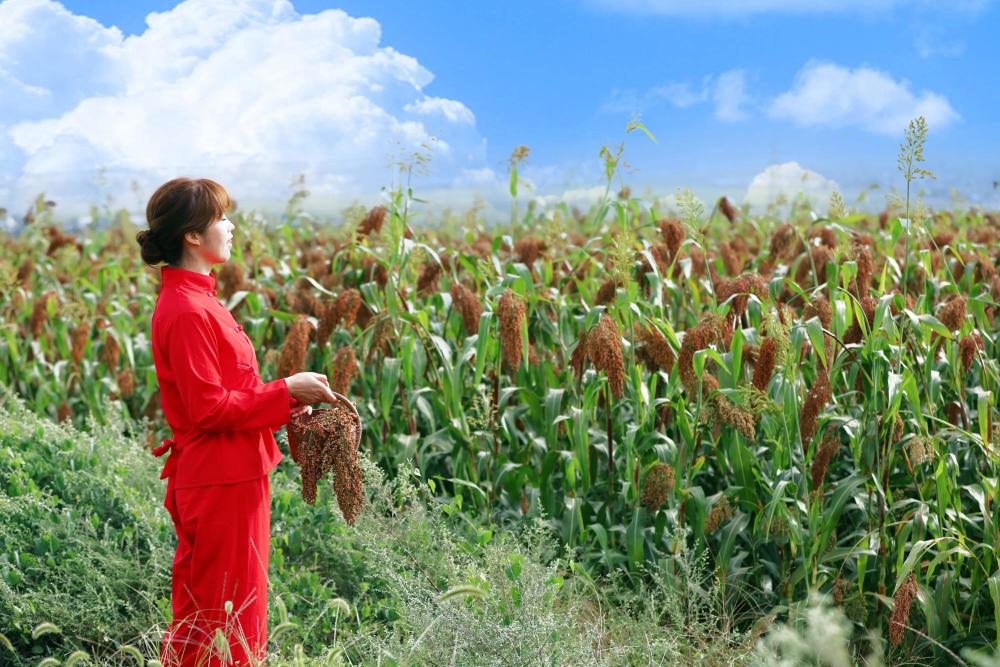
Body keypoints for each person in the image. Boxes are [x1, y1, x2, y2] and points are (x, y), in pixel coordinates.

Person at [136, 177, 338, 665]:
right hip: (219, 481)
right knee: (218, 622)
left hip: (233, 475)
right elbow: (208, 407)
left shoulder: (200, 299)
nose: (231, 227)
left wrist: (287, 403)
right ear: (192, 235)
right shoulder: (187, 309)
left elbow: (232, 390)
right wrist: (286, 389)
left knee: (230, 617)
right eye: (222, 218)